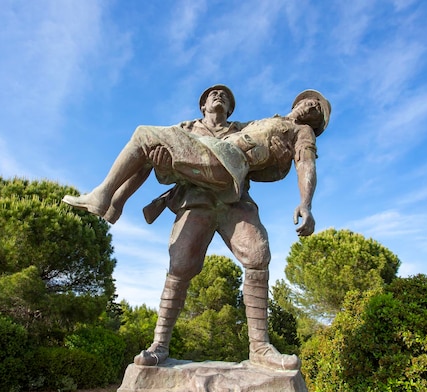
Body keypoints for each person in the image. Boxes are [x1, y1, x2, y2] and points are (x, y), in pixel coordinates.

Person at [63, 86, 330, 370]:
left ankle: (260, 347)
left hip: (232, 197)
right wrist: (164, 165)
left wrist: (306, 203)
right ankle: (159, 345)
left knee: (257, 255)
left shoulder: (260, 128)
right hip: (196, 200)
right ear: (202, 106)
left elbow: (302, 164)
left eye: (316, 107)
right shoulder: (190, 129)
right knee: (179, 266)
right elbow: (161, 165)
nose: (309, 106)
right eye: (307, 101)